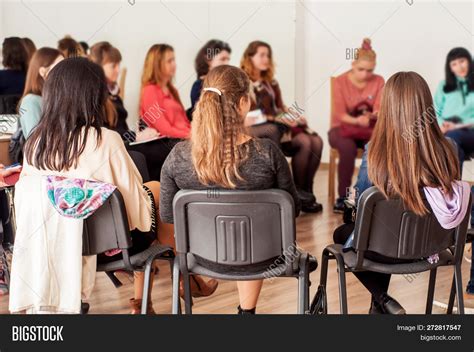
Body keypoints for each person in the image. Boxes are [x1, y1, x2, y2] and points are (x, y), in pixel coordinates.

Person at [11, 57, 173, 314]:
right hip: (108, 246)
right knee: (155, 188)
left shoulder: (35, 144)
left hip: (54, 247)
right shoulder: (106, 140)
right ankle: (175, 280)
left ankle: (157, 295)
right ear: (93, 96)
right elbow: (136, 217)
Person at [159, 65, 301, 314]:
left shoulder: (178, 157)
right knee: (255, 239)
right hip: (266, 258)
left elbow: (169, 217)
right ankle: (247, 312)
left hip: (201, 259)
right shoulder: (267, 153)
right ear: (244, 102)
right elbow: (293, 209)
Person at [333, 71, 468, 314]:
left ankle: (383, 299)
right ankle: (380, 304)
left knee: (344, 233)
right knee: (371, 233)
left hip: (381, 250)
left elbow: (364, 202)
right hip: (432, 247)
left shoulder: (374, 150)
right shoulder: (449, 148)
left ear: (388, 108)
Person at [241, 41, 323, 213]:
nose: (266, 59)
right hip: (256, 128)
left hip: (277, 126)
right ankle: (294, 193)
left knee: (314, 141)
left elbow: (281, 108)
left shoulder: (272, 83)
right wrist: (279, 117)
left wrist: (294, 116)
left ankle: (306, 193)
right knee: (285, 133)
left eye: (268, 55)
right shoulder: (243, 81)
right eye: (262, 55)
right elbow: (247, 116)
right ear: (250, 57)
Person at [328, 38, 384, 213]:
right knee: (347, 148)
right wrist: (357, 120)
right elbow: (339, 114)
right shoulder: (340, 82)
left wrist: (374, 115)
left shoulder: (379, 81)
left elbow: (379, 109)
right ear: (353, 64)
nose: (365, 74)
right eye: (361, 69)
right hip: (342, 129)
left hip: (367, 129)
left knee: (379, 145)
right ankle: (343, 197)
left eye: (370, 70)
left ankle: (365, 194)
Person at [137, 44, 190, 180]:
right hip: (167, 146)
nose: (174, 64)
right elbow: (164, 129)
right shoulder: (150, 91)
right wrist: (193, 136)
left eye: (174, 60)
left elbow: (184, 122)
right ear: (157, 64)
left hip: (183, 141)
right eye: (169, 61)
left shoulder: (172, 90)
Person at [435, 47, 474, 170]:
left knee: (452, 139)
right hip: (447, 131)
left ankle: (454, 184)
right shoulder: (444, 85)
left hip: (469, 131)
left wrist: (456, 126)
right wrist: (442, 125)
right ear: (450, 68)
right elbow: (435, 110)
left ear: (469, 61)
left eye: (462, 61)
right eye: (454, 64)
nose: (460, 67)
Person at [18, 47, 63, 138]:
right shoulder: (31, 101)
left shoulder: (56, 97)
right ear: (42, 72)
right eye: (59, 67)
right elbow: (35, 142)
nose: (64, 72)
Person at [187, 39, 231, 119]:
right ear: (208, 60)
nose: (227, 63)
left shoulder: (225, 82)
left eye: (228, 59)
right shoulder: (198, 86)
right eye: (223, 59)